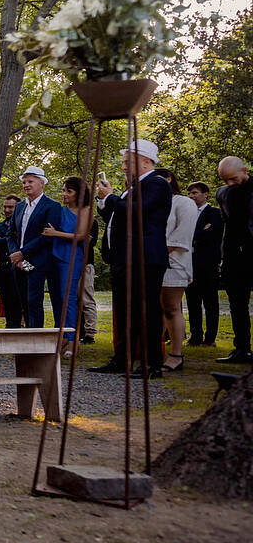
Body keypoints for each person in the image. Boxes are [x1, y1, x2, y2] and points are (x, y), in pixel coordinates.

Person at [91, 140, 171, 377]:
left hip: (145, 258)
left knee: (146, 312)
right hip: (124, 258)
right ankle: (121, 359)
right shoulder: (135, 187)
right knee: (126, 312)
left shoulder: (157, 183)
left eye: (129, 162)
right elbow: (117, 214)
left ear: (146, 161)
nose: (124, 167)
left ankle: (151, 363)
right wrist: (103, 199)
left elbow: (136, 211)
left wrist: (111, 197)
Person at [41, 177, 96, 349]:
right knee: (58, 298)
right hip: (54, 255)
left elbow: (81, 236)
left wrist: (56, 233)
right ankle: (63, 335)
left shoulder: (86, 211)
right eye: (63, 190)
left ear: (79, 194)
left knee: (69, 298)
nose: (64, 194)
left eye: (68, 191)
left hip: (71, 258)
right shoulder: (59, 210)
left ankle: (73, 340)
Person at [153, 169, 197, 372]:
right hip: (154, 261)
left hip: (174, 261)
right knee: (156, 308)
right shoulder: (155, 204)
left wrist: (156, 251)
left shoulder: (183, 202)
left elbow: (182, 235)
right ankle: (155, 352)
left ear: (169, 179)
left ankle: (176, 355)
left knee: (171, 307)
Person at [9, 167, 63, 330]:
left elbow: (47, 235)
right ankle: (29, 333)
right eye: (24, 182)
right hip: (19, 262)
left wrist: (22, 253)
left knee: (35, 301)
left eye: (30, 181)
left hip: (40, 261)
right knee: (24, 301)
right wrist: (15, 254)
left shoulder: (52, 206)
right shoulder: (19, 207)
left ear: (42, 183)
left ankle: (37, 335)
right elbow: (10, 233)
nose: (26, 185)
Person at [215, 157, 252, 363]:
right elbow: (227, 222)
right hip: (233, 255)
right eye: (225, 180)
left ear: (245, 171)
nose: (229, 183)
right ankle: (242, 349)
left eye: (233, 178)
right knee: (237, 303)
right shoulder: (223, 193)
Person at [187, 180, 224, 347]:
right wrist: (200, 232)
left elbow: (212, 234)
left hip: (208, 264)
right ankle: (195, 336)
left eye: (195, 193)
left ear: (205, 194)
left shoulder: (215, 213)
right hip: (190, 262)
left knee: (210, 302)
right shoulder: (188, 213)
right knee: (192, 301)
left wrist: (195, 235)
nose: (191, 196)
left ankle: (210, 338)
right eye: (189, 193)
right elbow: (183, 234)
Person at [0, 194, 25, 328]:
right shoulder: (0, 226)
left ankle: (20, 327)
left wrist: (2, 240)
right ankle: (9, 327)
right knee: (7, 301)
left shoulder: (23, 225)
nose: (7, 210)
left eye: (11, 207)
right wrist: (8, 239)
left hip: (18, 267)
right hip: (2, 268)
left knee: (19, 301)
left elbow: (20, 242)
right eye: (5, 207)